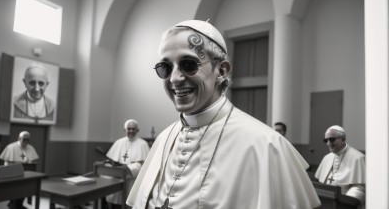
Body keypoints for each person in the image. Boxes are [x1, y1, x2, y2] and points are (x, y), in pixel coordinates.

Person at [127, 20, 321, 209]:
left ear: (221, 70)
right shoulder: (163, 139)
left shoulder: (267, 146)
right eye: (166, 68)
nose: (175, 78)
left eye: (188, 64)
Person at [315, 125, 366, 205]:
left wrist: (347, 201)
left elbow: (360, 188)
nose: (329, 143)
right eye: (326, 140)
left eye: (332, 139)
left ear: (343, 139)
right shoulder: (327, 158)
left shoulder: (358, 158)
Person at [105, 119, 150, 209]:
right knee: (115, 201)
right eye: (129, 129)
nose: (131, 131)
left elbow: (144, 166)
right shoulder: (119, 142)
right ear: (125, 130)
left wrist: (128, 168)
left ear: (137, 130)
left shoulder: (143, 144)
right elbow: (111, 160)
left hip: (132, 180)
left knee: (130, 202)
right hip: (117, 178)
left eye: (133, 129)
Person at [0, 131, 39, 209]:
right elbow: (7, 164)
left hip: (25, 175)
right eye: (24, 139)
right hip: (12, 175)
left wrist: (30, 162)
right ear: (19, 138)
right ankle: (14, 204)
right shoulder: (11, 147)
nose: (26, 142)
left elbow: (33, 162)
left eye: (28, 140)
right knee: (15, 191)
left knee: (24, 190)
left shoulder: (30, 148)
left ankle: (18, 205)